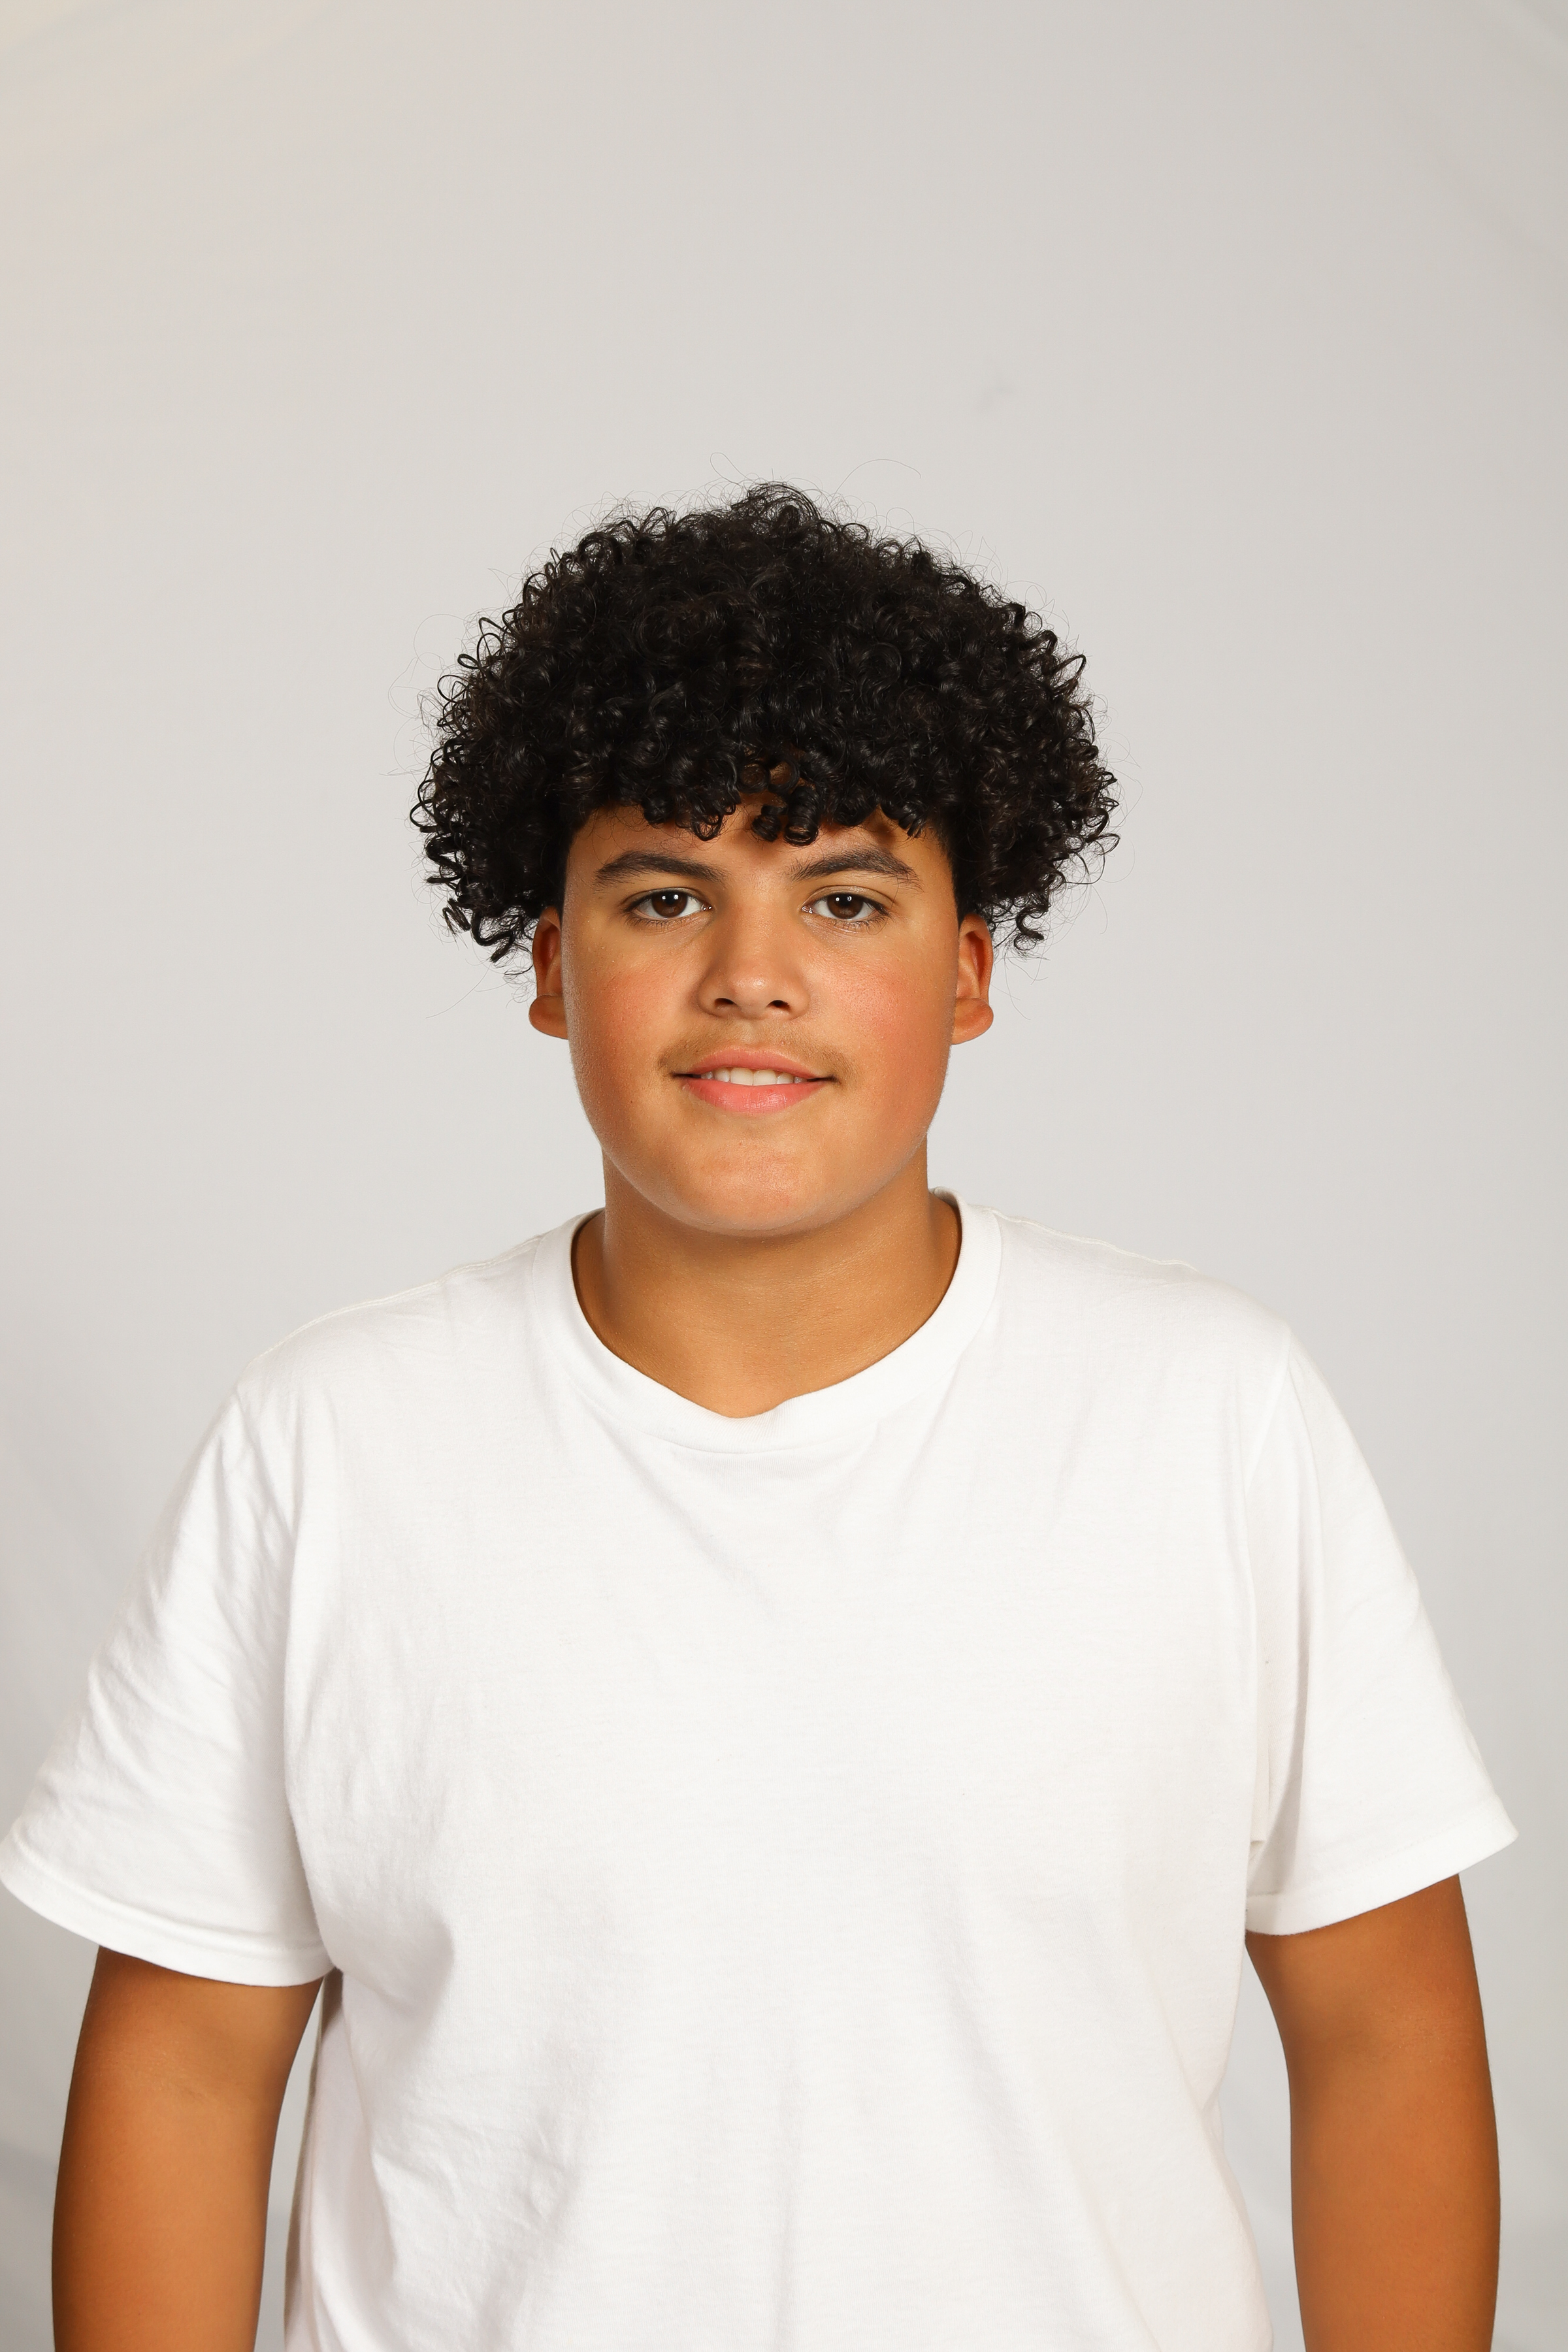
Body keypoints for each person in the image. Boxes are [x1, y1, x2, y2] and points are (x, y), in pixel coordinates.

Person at [1, 485, 1515, 2352]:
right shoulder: (334, 1444)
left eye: (847, 898)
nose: (751, 974)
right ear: (549, 966)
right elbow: (182, 2073)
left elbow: (1383, 2034)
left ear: (969, 972)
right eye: (663, 897)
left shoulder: (1209, 1416)